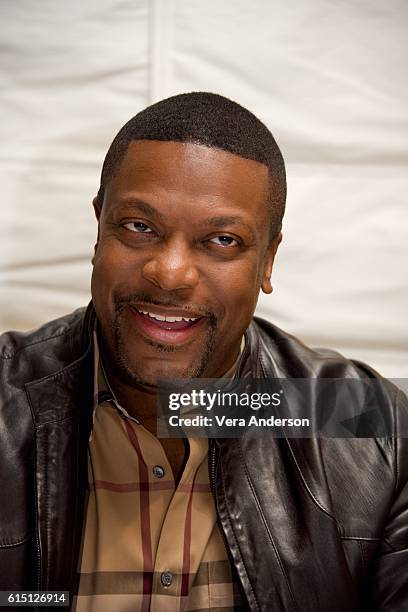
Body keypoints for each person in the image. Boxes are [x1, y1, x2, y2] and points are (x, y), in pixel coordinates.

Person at [0, 92, 406, 612]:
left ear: (268, 260)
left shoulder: (368, 425)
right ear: (98, 228)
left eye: (222, 240)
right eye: (139, 227)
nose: (170, 273)